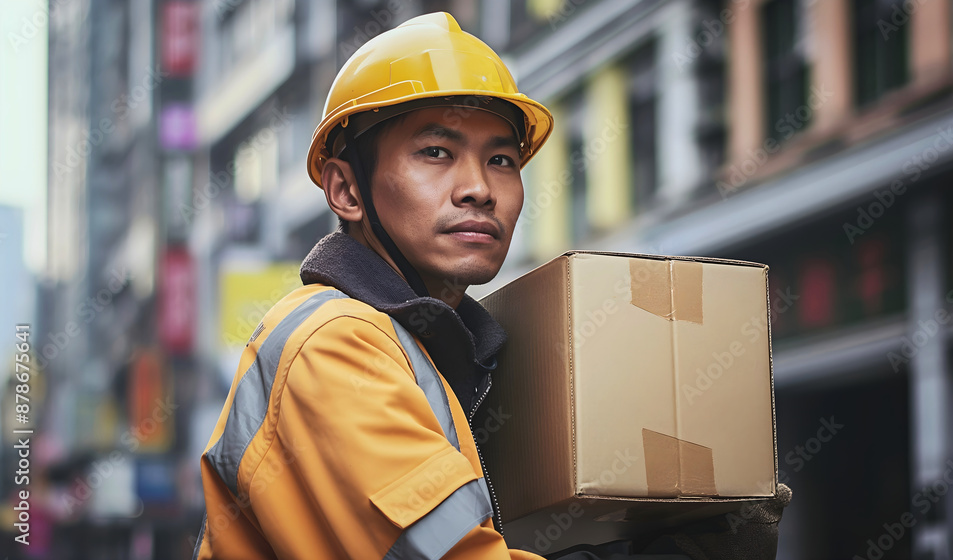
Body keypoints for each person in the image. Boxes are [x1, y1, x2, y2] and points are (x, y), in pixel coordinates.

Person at [192, 12, 790, 560]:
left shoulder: (433, 353)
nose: (479, 188)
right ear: (347, 191)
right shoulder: (335, 343)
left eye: (501, 160)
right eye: (435, 151)